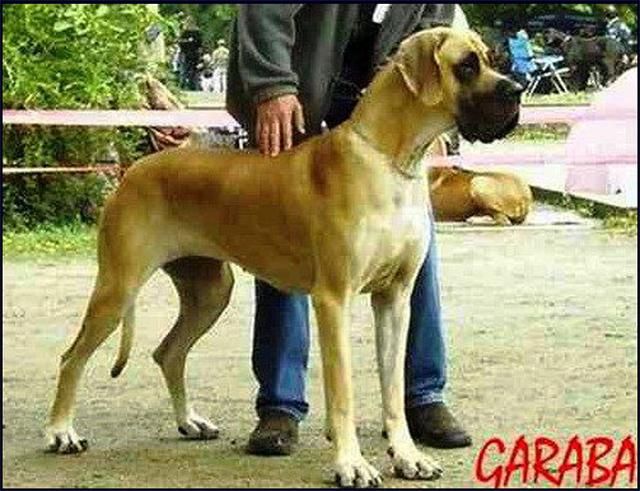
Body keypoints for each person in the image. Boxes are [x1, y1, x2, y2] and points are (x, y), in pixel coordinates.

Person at [226, 4, 473, 456]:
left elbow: (431, 26)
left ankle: (423, 396)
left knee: (410, 238)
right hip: (296, 87)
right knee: (283, 228)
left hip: (381, 96)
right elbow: (263, 10)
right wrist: (271, 85)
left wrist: (421, 99)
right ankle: (281, 403)